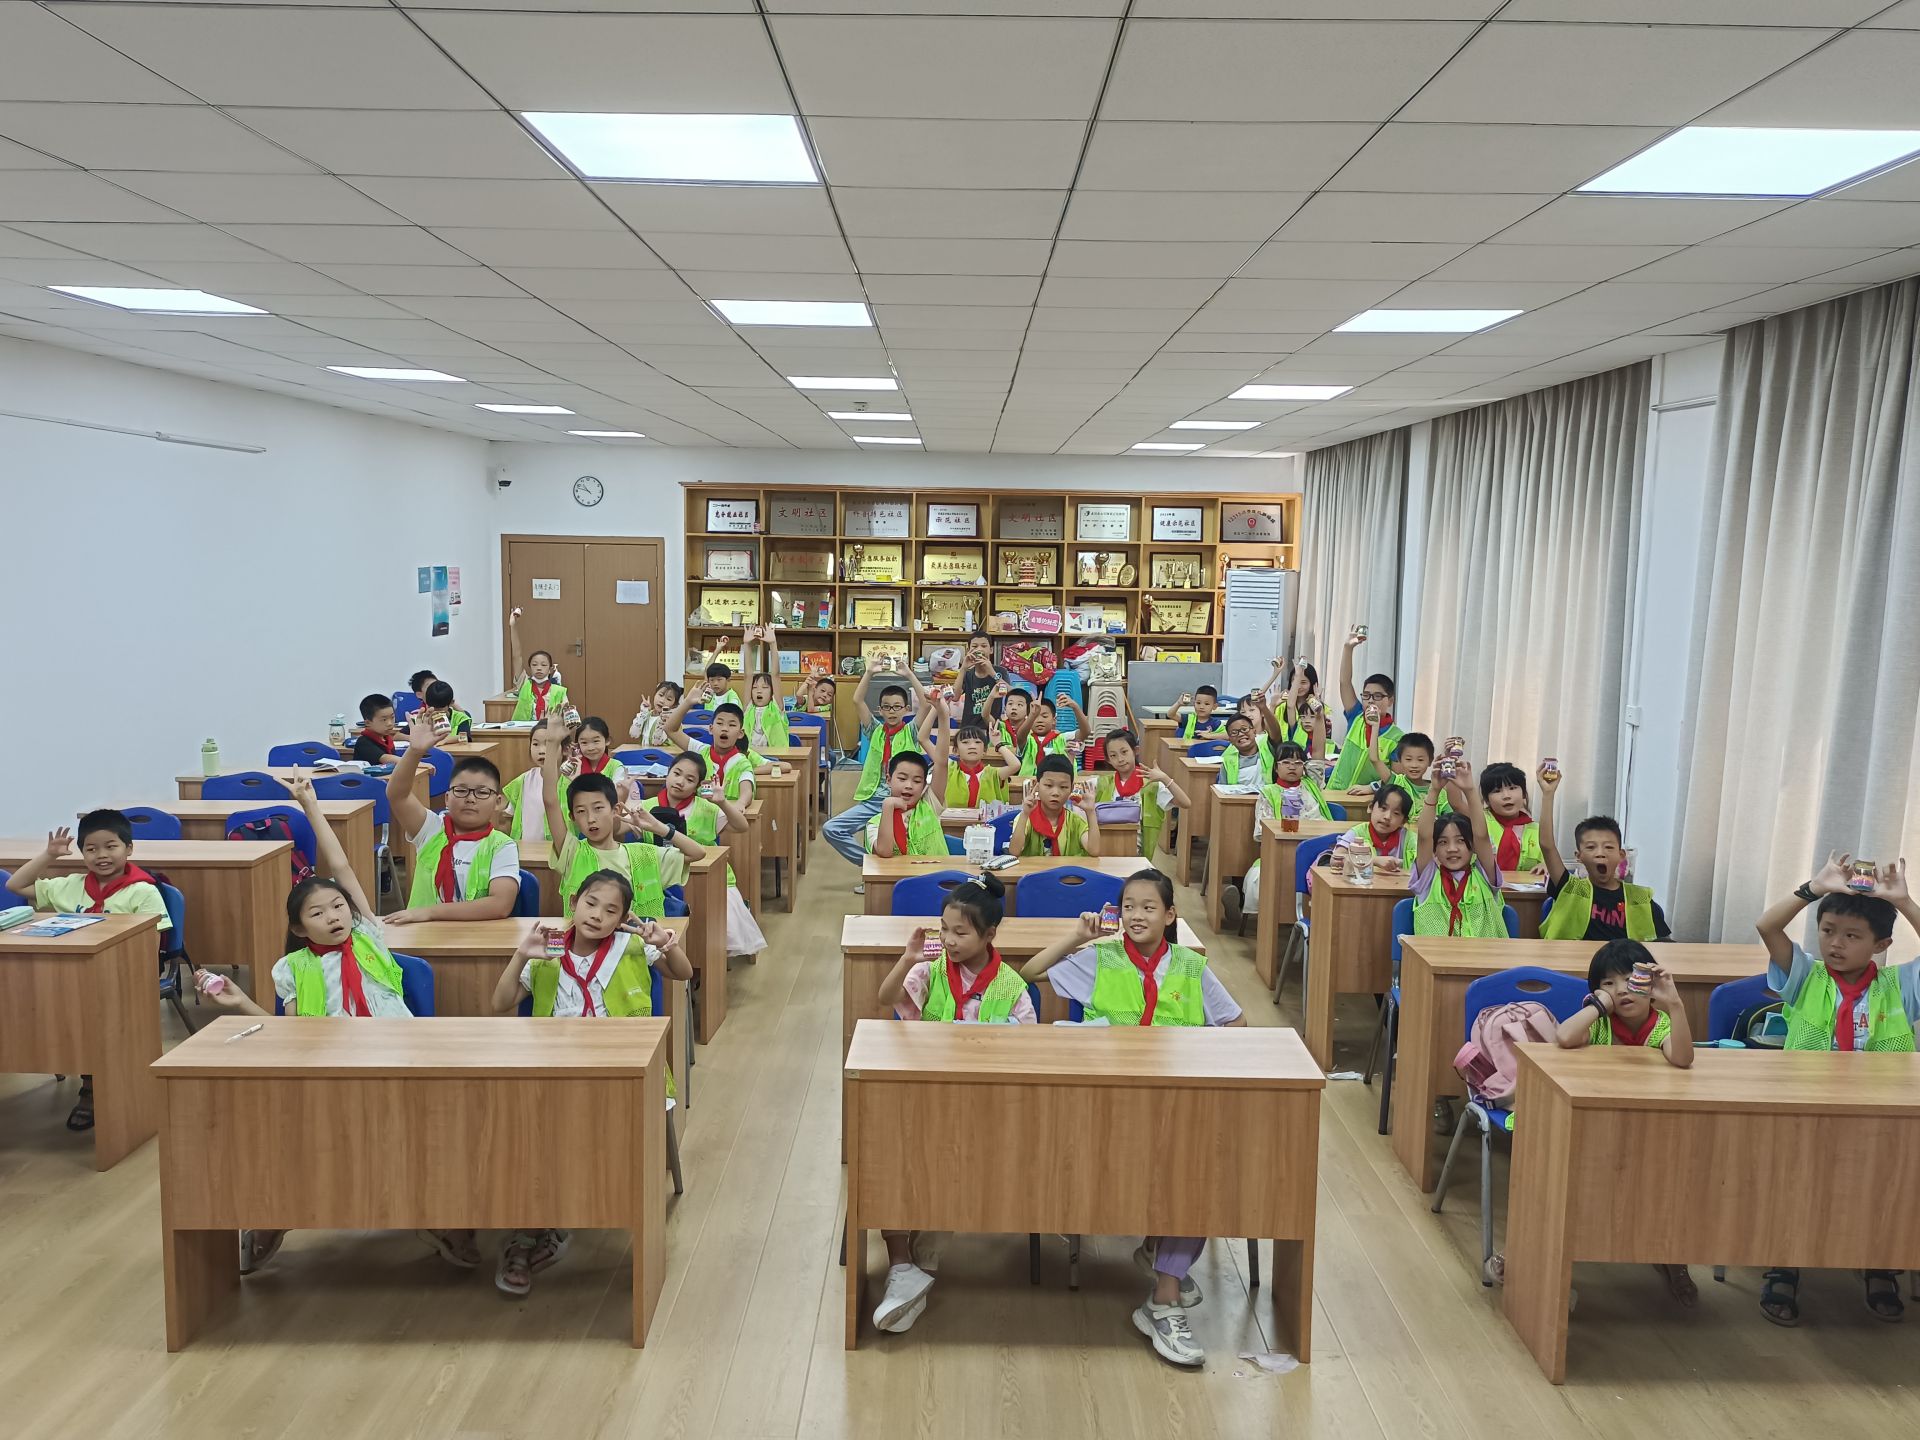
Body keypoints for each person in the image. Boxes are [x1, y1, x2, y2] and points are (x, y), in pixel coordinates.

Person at [197, 773, 480, 1275]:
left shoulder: (371, 935)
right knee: (291, 1131)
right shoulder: (291, 969)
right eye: (317, 912)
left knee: (434, 1126)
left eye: (338, 907)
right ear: (297, 927)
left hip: (399, 1055)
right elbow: (285, 1035)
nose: (333, 916)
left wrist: (310, 804)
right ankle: (276, 1213)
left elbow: (343, 866)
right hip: (329, 1064)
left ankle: (440, 1215)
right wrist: (240, 1002)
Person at [1021, 869, 1245, 1368]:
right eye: (1128, 907)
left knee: (1200, 1168)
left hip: (1176, 1100)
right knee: (1168, 1170)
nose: (1136, 915)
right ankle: (1163, 1262)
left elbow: (1235, 1023)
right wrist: (1076, 937)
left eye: (1148, 907)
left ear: (1170, 915)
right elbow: (1028, 975)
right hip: (1107, 1102)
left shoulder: (1191, 965)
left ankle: (1162, 1298)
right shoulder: (1101, 957)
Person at [490, 870, 691, 1296]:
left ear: (623, 919)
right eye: (591, 903)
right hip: (556, 1068)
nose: (598, 915)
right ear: (573, 903)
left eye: (611, 910)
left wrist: (666, 945)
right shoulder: (550, 946)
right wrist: (521, 956)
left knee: (592, 1135)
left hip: (626, 1068)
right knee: (527, 1133)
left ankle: (575, 1214)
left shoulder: (631, 947)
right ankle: (532, 1227)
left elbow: (684, 972)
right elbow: (500, 1002)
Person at [1752, 855, 1918, 1326]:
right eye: (1827, 931)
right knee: (1797, 1184)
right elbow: (1767, 926)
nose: (1835, 944)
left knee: (1884, 1186)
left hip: (1882, 1113)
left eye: (1851, 936)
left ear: (1881, 945)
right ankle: (1785, 1265)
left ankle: (1880, 1265)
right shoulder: (1806, 977)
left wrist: (1904, 902)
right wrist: (1813, 889)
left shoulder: (1901, 986)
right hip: (1806, 1108)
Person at [870, 874, 1033, 1333]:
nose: (948, 940)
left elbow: (1028, 1052)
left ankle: (915, 1272)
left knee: (955, 1157)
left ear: (990, 934)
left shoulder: (1011, 987)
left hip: (984, 1103)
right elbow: (885, 999)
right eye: (944, 929)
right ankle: (902, 1263)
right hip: (925, 1091)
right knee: (889, 1149)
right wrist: (907, 959)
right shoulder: (931, 969)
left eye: (960, 932)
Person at [1550, 938, 1697, 1305]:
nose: (1620, 990)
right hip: (1597, 1131)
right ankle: (1556, 1250)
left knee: (1673, 1180)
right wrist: (1599, 1005)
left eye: (1631, 979)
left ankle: (1672, 1256)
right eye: (1608, 983)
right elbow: (1565, 1037)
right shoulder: (1600, 1024)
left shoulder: (1661, 1025)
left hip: (1652, 1132)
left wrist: (1674, 1003)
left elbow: (1682, 1058)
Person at [6, 808, 172, 1131]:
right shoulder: (70, 886)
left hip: (121, 978)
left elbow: (150, 948)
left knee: (89, 1011)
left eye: (111, 846)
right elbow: (16, 884)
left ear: (129, 849)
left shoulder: (143, 891)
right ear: (82, 854)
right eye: (91, 849)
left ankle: (91, 1085)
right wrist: (50, 855)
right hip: (68, 978)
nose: (101, 855)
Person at [534, 713, 701, 909]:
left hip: (636, 930)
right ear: (572, 817)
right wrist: (552, 742)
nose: (591, 818)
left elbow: (697, 853)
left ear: (615, 810)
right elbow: (550, 801)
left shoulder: (643, 855)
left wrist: (658, 827)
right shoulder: (572, 852)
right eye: (581, 811)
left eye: (598, 808)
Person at [384, 713, 519, 923]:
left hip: (474, 935)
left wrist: (430, 912)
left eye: (482, 792)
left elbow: (500, 905)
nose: (470, 799)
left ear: (498, 801)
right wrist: (415, 751)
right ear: (447, 798)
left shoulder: (502, 846)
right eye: (461, 791)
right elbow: (397, 795)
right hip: (421, 934)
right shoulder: (431, 829)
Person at [1538, 765, 1670, 941]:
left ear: (1621, 855)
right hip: (1575, 958)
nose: (1600, 853)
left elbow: (1664, 944)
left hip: (1623, 959)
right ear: (1579, 856)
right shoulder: (1571, 889)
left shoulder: (1640, 898)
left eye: (1608, 847)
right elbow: (1547, 845)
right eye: (1591, 847)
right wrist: (1548, 794)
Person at [657, 751, 765, 958]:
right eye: (676, 774)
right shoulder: (647, 806)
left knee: (713, 923)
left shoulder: (707, 808)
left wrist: (722, 803)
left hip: (710, 875)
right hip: (663, 876)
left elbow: (742, 826)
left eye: (690, 779)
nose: (680, 782)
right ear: (667, 773)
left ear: (698, 786)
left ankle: (706, 957)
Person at [825, 663, 928, 872]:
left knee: (897, 841)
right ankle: (870, 864)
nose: (892, 711)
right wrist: (869, 672)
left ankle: (882, 873)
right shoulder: (875, 730)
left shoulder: (911, 731)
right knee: (831, 828)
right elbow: (857, 700)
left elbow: (926, 703)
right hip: (873, 800)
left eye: (897, 706)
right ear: (879, 710)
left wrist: (909, 674)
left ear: (907, 709)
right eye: (887, 707)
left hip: (902, 801)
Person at [1227, 741, 1331, 926]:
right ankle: (1249, 912)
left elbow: (1318, 751)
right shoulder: (1268, 793)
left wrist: (1318, 722)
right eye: (1286, 762)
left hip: (1320, 851)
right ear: (1276, 767)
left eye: (1298, 763)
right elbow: (1262, 834)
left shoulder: (1312, 785)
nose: (1292, 767)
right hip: (1282, 851)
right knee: (1258, 878)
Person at [1409, 759, 1507, 937]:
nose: (1452, 849)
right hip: (1437, 955)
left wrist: (1470, 791)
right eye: (1443, 842)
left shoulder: (1484, 874)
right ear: (1434, 850)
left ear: (1473, 846)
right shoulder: (1428, 878)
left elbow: (1481, 835)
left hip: (1485, 954)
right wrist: (1434, 790)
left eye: (1460, 841)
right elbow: (1424, 837)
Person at [866, 705, 952, 857]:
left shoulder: (929, 804)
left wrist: (942, 713)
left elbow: (941, 762)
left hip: (934, 872)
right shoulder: (874, 823)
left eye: (917, 781)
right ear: (888, 779)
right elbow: (884, 852)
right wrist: (888, 806)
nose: (909, 786)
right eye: (902, 778)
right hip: (897, 874)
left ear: (924, 785)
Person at [1094, 728, 1189, 860]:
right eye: (1113, 755)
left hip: (1139, 854)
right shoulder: (1102, 783)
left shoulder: (1152, 785)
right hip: (1106, 849)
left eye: (1124, 752)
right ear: (1108, 760)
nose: (1120, 759)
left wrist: (1165, 778)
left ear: (1136, 750)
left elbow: (1185, 803)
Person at [1327, 627, 1402, 790]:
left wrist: (1372, 788)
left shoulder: (1397, 738)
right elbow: (1345, 682)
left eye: (1377, 696)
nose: (1371, 701)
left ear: (1390, 701)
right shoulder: (1356, 716)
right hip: (1337, 791)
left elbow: (1397, 780)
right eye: (1366, 695)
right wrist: (1348, 648)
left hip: (1369, 799)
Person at [1010, 754, 1102, 858]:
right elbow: (1014, 851)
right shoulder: (1025, 818)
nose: (1056, 793)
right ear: (1037, 785)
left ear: (1071, 789)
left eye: (1063, 787)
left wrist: (1090, 812)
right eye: (1049, 785)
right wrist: (1025, 814)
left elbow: (1094, 851)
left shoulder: (1075, 822)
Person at [1478, 762, 1545, 881]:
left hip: (1528, 891)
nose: (1506, 796)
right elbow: (1457, 803)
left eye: (1512, 788)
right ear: (1487, 800)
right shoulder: (1480, 822)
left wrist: (1546, 866)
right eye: (1497, 791)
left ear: (1524, 793)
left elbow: (1550, 862)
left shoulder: (1537, 830)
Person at [1366, 728, 1447, 821]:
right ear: (1399, 760)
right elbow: (1374, 759)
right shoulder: (1396, 782)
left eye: (1420, 760)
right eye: (1408, 759)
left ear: (1430, 761)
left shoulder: (1439, 792)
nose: (1414, 765)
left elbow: (1450, 819)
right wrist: (1375, 726)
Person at [500, 717, 559, 843]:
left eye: (548, 744)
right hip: (526, 849)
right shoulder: (523, 780)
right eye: (535, 744)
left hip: (559, 851)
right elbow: (507, 817)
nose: (541, 751)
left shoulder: (570, 782)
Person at [506, 607, 569, 722]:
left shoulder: (559, 691)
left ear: (550, 669)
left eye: (543, 665)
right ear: (530, 667)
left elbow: (567, 718)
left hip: (550, 730)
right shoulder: (524, 684)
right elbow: (517, 656)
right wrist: (513, 626)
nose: (539, 668)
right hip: (524, 730)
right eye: (534, 665)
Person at [1333, 784, 1415, 871]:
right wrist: (1374, 860)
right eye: (1383, 808)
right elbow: (1336, 860)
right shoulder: (1357, 833)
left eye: (1396, 813)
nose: (1387, 817)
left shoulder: (1409, 839)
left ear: (1403, 821)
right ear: (1370, 807)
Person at [944, 721, 1020, 808]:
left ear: (984, 751)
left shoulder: (993, 774)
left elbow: (1015, 765)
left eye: (977, 742)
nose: (972, 746)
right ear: (955, 750)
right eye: (965, 742)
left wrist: (997, 744)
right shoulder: (948, 771)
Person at [1216, 708, 1272, 790]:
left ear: (1254, 732)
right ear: (1230, 740)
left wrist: (1264, 707)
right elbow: (1222, 791)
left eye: (1244, 729)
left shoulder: (1268, 750)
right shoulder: (1228, 762)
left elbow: (1275, 732)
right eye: (1234, 733)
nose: (1241, 734)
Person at [956, 633, 1002, 723]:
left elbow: (1009, 692)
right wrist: (963, 668)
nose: (979, 649)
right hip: (969, 727)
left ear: (991, 650)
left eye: (984, 646)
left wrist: (992, 673)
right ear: (968, 650)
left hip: (992, 727)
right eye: (975, 646)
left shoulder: (999, 671)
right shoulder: (967, 674)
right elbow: (954, 697)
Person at [629, 680, 685, 751]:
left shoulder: (672, 721)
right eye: (660, 695)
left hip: (664, 756)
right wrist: (643, 713)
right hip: (645, 754)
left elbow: (656, 742)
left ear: (674, 705)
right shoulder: (647, 715)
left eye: (668, 699)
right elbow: (633, 734)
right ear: (655, 694)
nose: (662, 701)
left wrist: (662, 721)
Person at [351, 692, 401, 764]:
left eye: (392, 717)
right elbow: (387, 759)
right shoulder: (363, 742)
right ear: (368, 723)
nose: (390, 723)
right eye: (384, 719)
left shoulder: (387, 738)